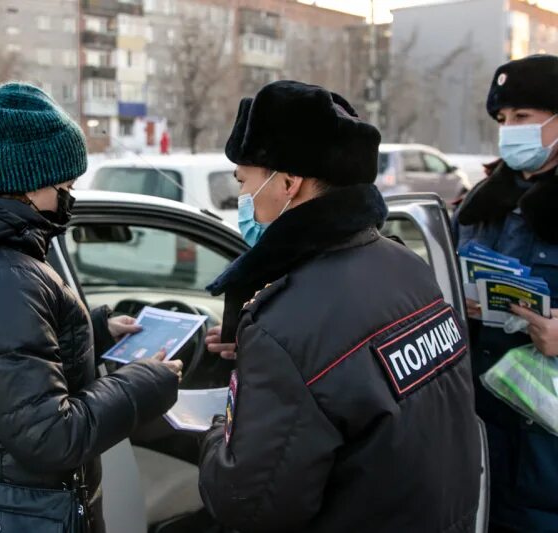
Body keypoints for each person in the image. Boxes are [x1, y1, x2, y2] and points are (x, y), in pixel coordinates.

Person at [0, 83, 182, 532]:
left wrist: (95, 330)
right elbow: (50, 437)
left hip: (3, 500)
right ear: (27, 184)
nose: (69, 198)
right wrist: (144, 384)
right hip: (28, 513)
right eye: (64, 186)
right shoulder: (4, 279)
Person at [198, 80, 481, 532]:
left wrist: (222, 429)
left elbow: (249, 505)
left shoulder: (287, 323)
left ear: (289, 183)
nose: (242, 201)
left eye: (243, 183)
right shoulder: (406, 266)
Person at [454, 54, 558, 532]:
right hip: (478, 428)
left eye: (522, 117)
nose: (508, 129)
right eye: (502, 119)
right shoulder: (481, 203)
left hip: (546, 446)